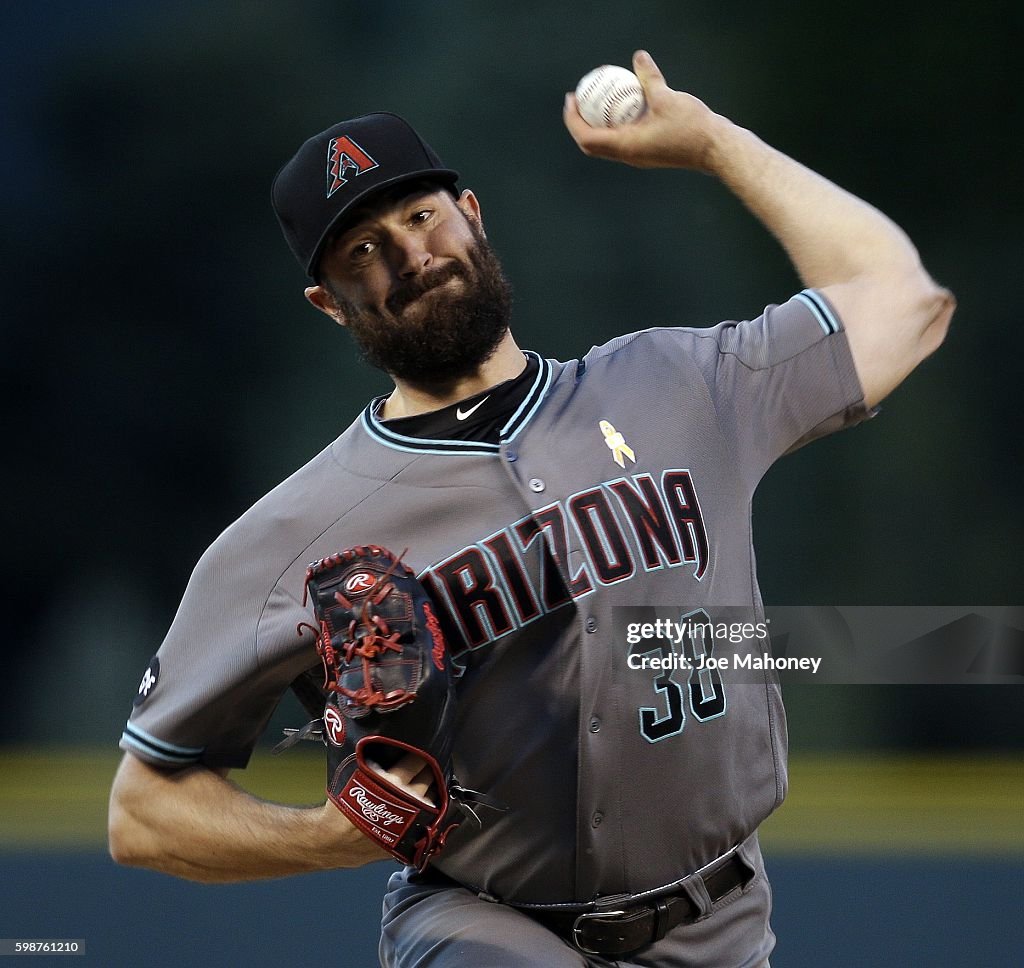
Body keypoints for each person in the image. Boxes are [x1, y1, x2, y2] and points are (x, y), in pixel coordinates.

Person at [108, 50, 954, 967]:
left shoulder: (684, 386)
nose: (409, 255)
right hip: (483, 923)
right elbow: (144, 813)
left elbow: (904, 303)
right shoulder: (290, 534)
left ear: (470, 216)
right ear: (329, 303)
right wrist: (331, 837)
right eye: (362, 250)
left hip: (725, 924)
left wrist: (714, 143)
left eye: (420, 215)